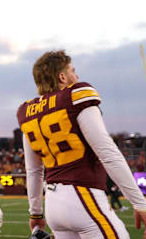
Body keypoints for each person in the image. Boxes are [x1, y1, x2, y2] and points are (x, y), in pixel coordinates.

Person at [17, 50, 146, 238]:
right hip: (83, 196)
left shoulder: (27, 112)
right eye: (73, 70)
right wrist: (139, 202)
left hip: (53, 203)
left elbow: (34, 170)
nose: (76, 76)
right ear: (62, 76)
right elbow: (108, 152)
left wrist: (35, 212)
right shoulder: (75, 97)